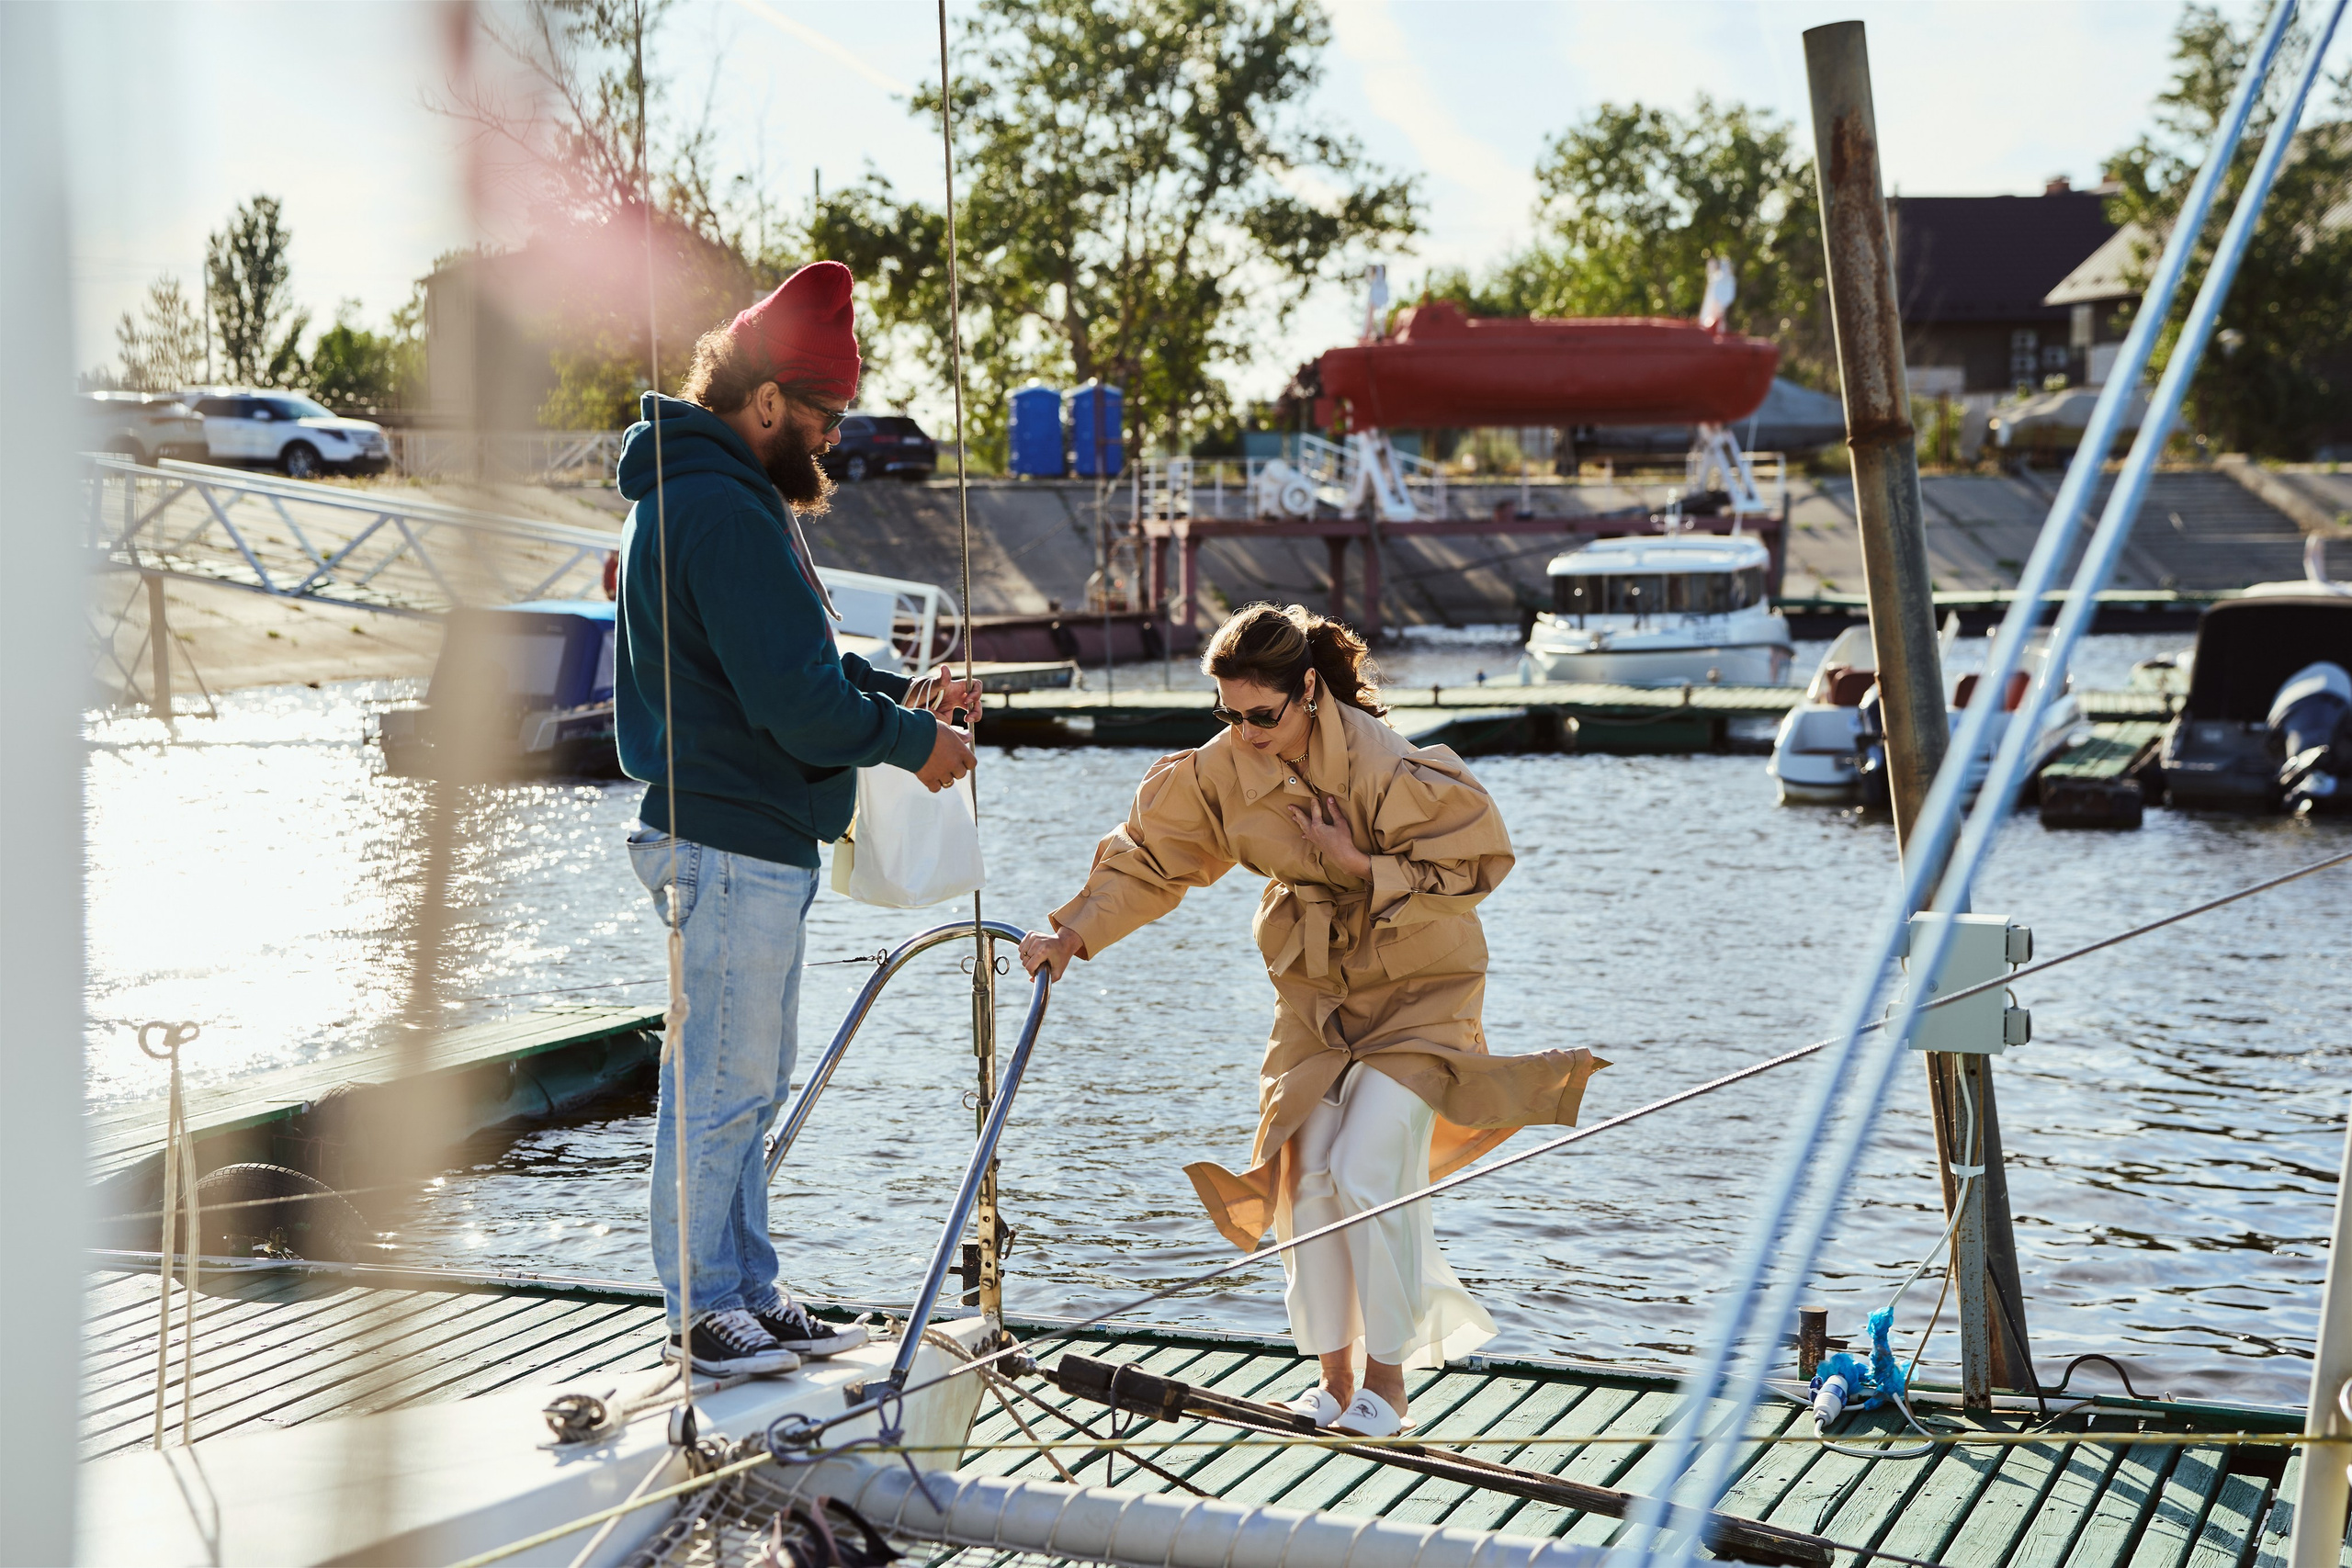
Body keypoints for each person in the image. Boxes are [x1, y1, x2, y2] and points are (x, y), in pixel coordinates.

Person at [1019, 604, 1606, 1437]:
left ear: (1307, 692)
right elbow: (1153, 857)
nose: (1247, 732)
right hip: (1315, 990)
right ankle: (1333, 1382)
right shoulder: (1222, 770)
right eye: (1229, 714)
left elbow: (1476, 862)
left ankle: (1390, 1387)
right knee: (1307, 1173)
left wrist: (1358, 864)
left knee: (1368, 1167)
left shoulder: (1381, 760)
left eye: (1263, 714)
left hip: (1420, 981)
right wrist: (1073, 932)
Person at [616, 261, 980, 1376]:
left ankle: (750, 1294)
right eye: (821, 417)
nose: (830, 441)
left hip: (746, 835)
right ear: (765, 400)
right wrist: (918, 744)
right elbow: (790, 704)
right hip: (727, 840)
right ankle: (702, 1309)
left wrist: (889, 698)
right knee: (721, 1084)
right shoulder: (723, 509)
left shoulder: (719, 496)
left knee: (746, 1082)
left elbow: (789, 673)